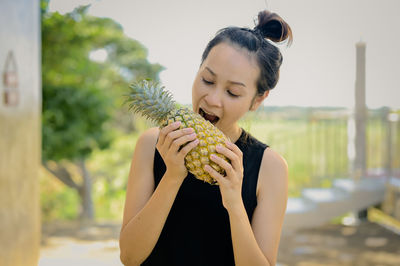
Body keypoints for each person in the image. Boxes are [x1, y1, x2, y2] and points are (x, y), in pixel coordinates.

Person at [119, 9, 293, 266]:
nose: (212, 99)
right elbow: (130, 257)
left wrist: (234, 202)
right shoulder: (150, 144)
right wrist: (173, 176)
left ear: (258, 99)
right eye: (207, 80)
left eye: (233, 92)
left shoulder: (270, 167)